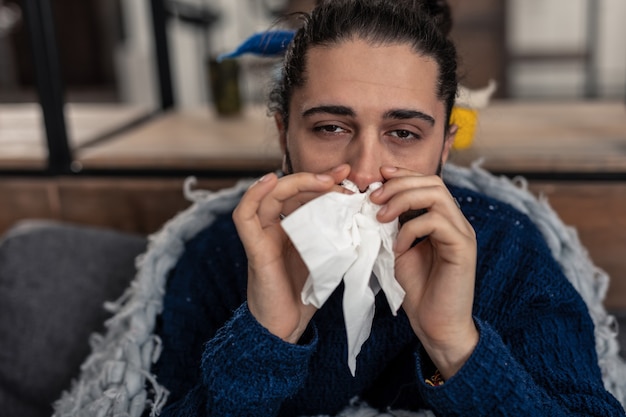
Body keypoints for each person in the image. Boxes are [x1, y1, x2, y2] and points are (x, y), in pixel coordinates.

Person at [152, 0, 625, 415]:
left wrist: (455, 344)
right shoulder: (219, 255)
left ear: (443, 146)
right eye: (330, 128)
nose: (364, 171)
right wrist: (265, 336)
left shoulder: (504, 248)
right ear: (283, 133)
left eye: (403, 133)